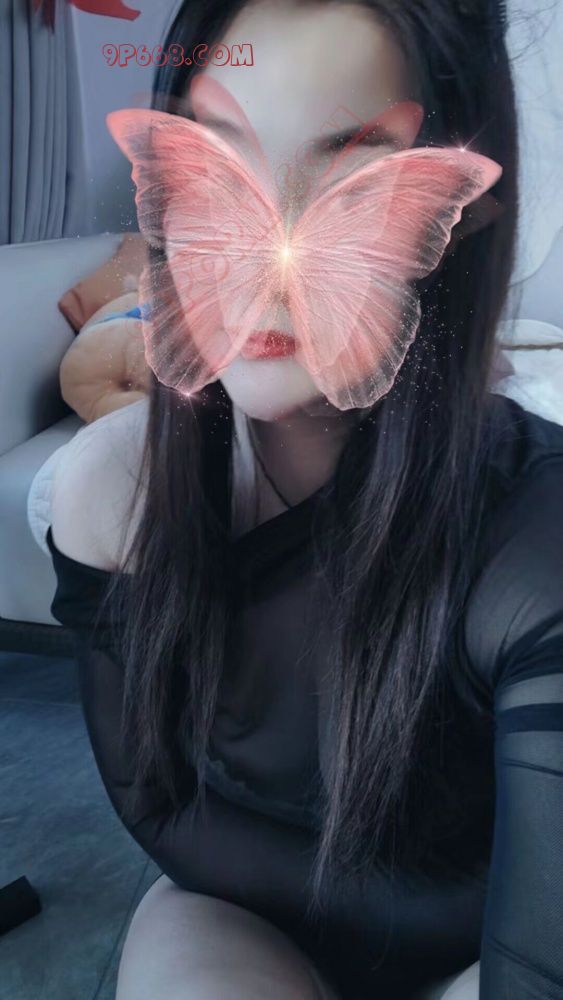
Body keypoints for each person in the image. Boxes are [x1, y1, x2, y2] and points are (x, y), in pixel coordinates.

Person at [47, 1, 563, 997]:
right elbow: (154, 802)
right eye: (218, 171)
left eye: (348, 188)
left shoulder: (532, 539)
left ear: (460, 218)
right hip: (234, 906)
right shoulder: (113, 489)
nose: (265, 261)